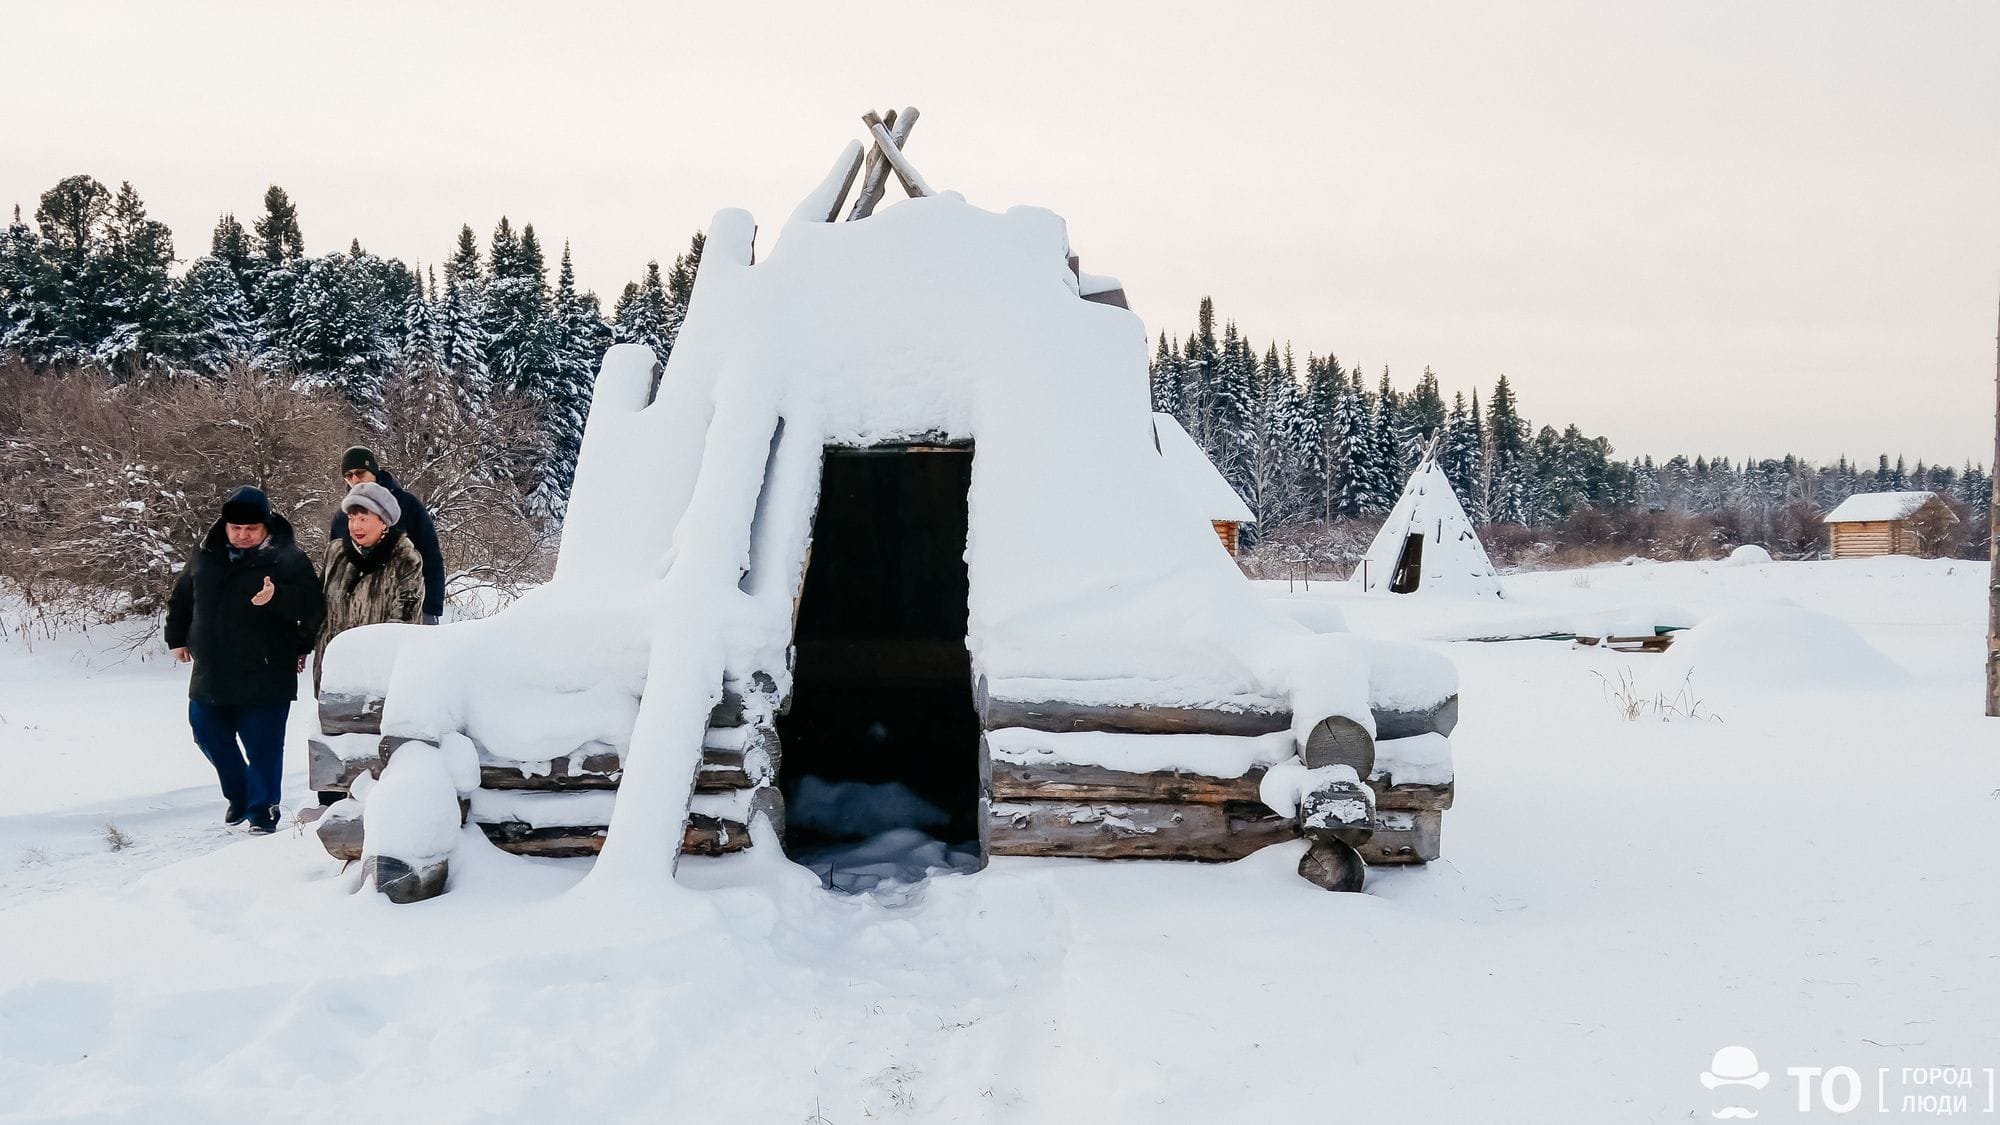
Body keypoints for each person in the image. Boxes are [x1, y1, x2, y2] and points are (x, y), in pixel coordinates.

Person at [164, 486, 325, 834]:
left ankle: (262, 810)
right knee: (206, 731)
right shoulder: (206, 554)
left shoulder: (288, 558)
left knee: (263, 746)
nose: (242, 535)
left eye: (251, 529)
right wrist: (176, 637)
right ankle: (239, 793)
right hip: (213, 666)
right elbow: (182, 597)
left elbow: (313, 607)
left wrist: (278, 598)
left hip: (265, 668)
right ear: (225, 525)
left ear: (265, 525)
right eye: (236, 528)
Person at [315, 482, 425, 690]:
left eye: (363, 519)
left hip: (377, 678)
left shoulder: (405, 559)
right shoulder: (336, 552)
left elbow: (404, 623)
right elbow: (319, 606)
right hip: (332, 672)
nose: (355, 526)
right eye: (351, 518)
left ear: (383, 522)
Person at [331, 446, 444, 624]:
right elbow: (337, 567)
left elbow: (430, 555)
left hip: (409, 605)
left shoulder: (407, 504)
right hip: (360, 613)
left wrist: (430, 608)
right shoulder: (342, 515)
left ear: (373, 471)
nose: (354, 479)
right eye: (348, 475)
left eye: (360, 473)